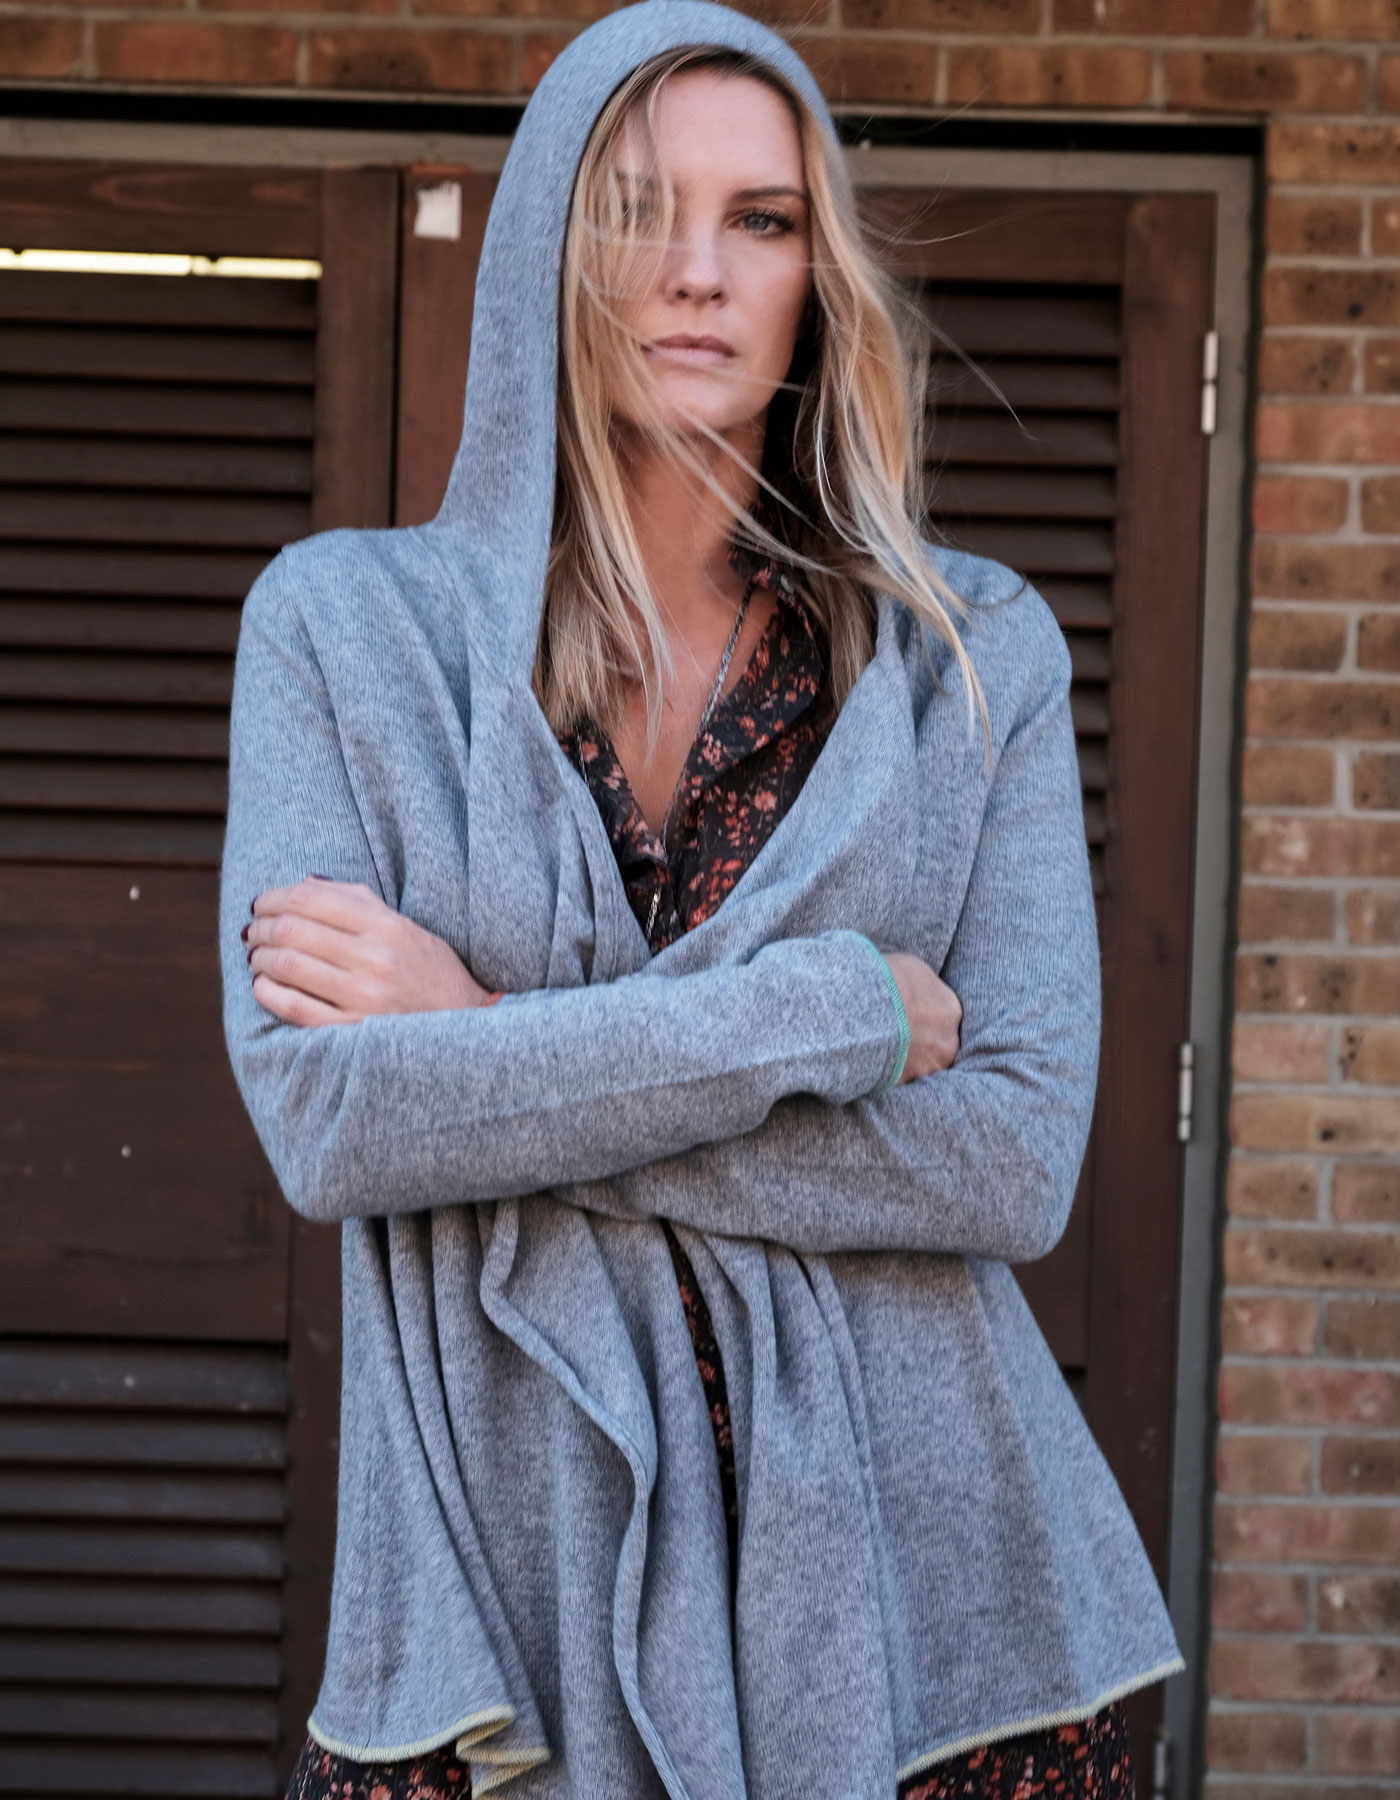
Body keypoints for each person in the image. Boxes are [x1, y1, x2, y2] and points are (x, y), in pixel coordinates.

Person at [221, 5, 1185, 1798]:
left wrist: (489, 1054)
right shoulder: (346, 634)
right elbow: (336, 1123)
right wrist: (826, 1016)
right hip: (497, 1625)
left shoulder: (972, 665)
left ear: (819, 272)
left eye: (762, 219)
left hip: (945, 1630)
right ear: (544, 250)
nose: (696, 273)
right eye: (638, 209)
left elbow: (1014, 1159)